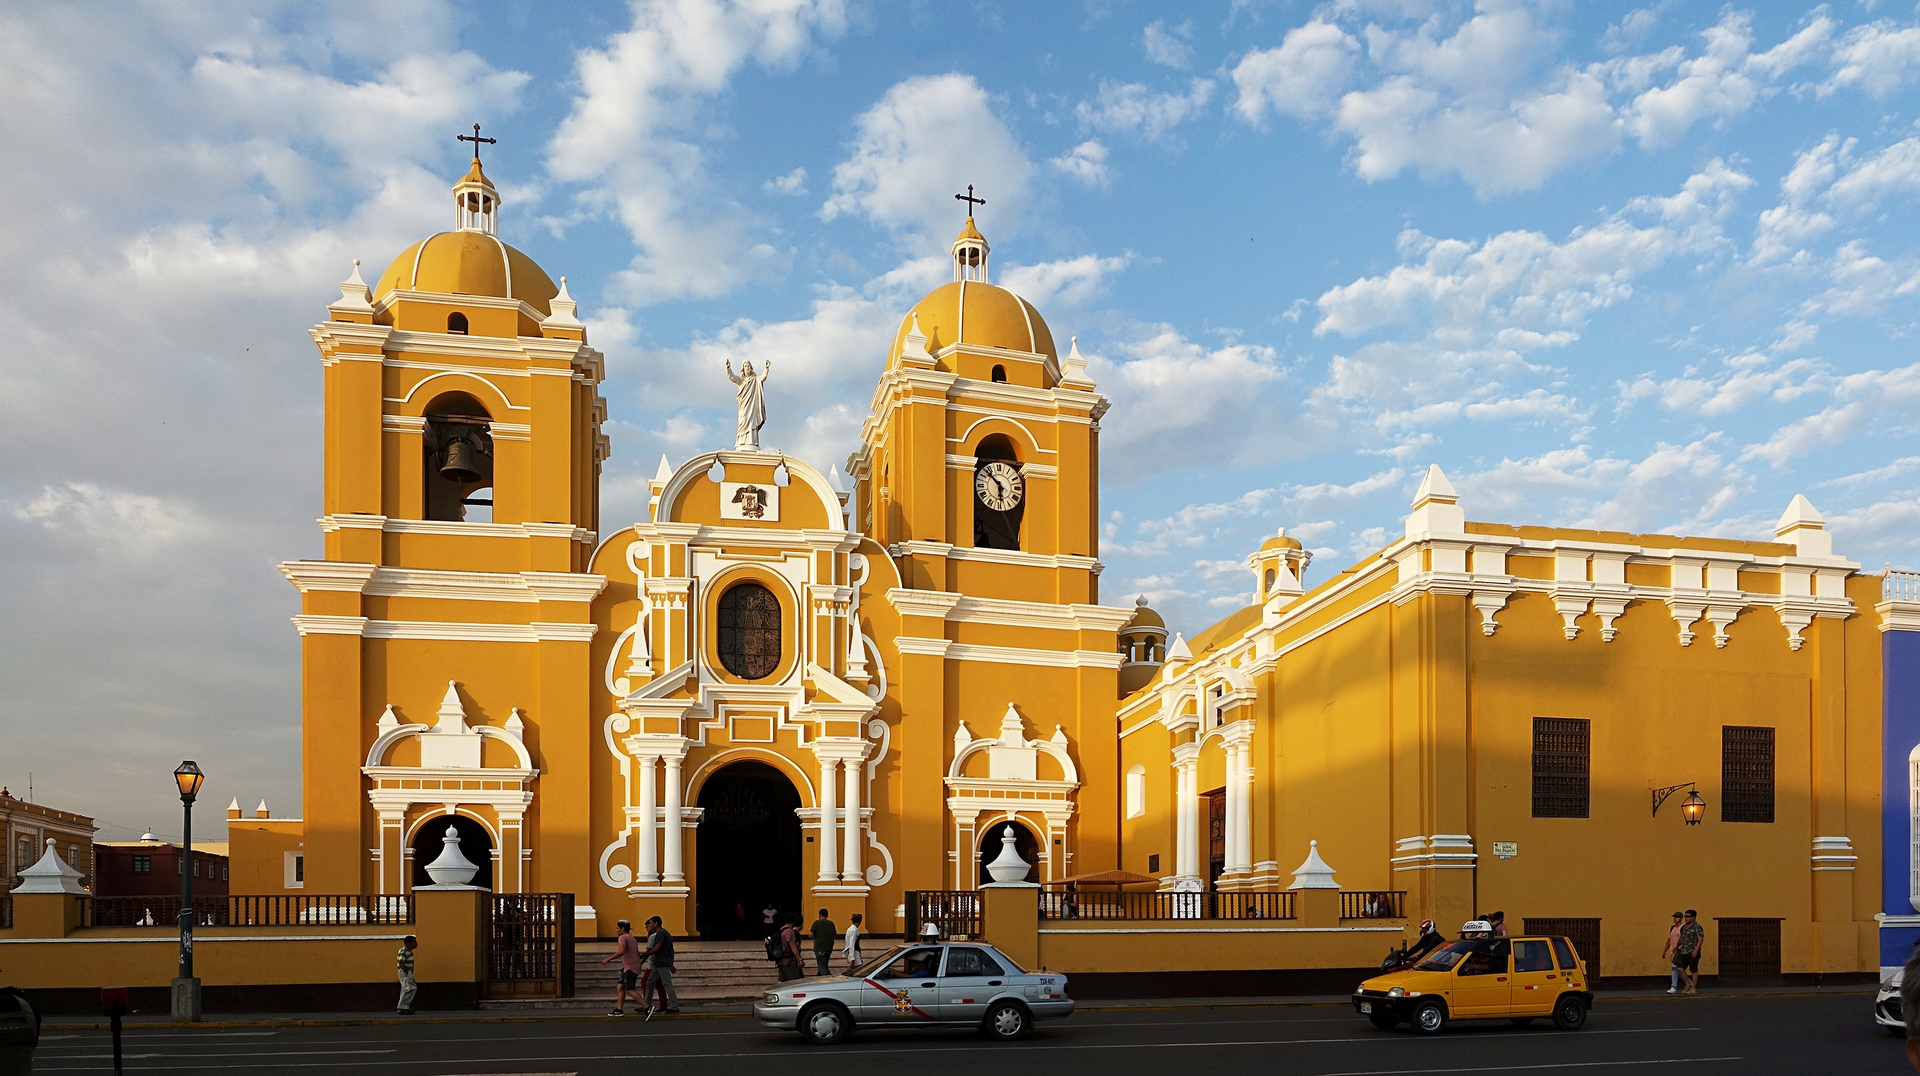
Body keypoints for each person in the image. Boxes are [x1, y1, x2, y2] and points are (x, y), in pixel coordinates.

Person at [602, 919, 644, 1016]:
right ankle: (619, 1009)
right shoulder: (631, 938)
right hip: (630, 966)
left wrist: (608, 959)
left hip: (630, 968)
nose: (616, 930)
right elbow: (635, 954)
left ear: (623, 929)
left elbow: (622, 951)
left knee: (629, 990)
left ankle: (647, 1007)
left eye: (617, 928)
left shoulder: (622, 937)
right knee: (620, 986)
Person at [642, 915, 681, 1014]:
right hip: (658, 964)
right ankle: (647, 1005)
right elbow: (671, 950)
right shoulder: (665, 933)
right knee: (649, 983)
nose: (649, 925)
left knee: (667, 984)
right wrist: (671, 963)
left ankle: (674, 1007)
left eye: (650, 923)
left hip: (662, 963)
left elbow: (656, 948)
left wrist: (643, 955)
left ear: (656, 923)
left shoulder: (660, 933)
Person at [1674, 910, 1704, 995]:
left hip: (1692, 952)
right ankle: (1687, 984)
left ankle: (1693, 988)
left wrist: (1695, 950)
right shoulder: (1684, 927)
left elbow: (1700, 939)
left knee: (1693, 970)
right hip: (1684, 951)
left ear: (1693, 917)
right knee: (1680, 968)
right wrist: (1678, 946)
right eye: (1685, 916)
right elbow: (1682, 937)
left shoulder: (1697, 927)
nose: (1686, 918)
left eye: (1688, 916)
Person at [1660, 911, 1685, 994]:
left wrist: (1678, 947)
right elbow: (1669, 940)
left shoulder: (1683, 928)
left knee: (1675, 969)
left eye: (1677, 917)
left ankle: (1673, 987)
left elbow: (1684, 940)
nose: (1675, 919)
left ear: (1681, 919)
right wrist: (1664, 951)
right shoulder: (1672, 928)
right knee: (1679, 970)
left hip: (1680, 951)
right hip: (1673, 952)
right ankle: (1690, 983)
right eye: (1674, 917)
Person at [777, 913, 806, 981]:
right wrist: (800, 959)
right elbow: (793, 946)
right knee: (796, 980)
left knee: (782, 980)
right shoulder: (790, 932)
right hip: (788, 960)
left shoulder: (781, 930)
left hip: (780, 959)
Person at [810, 909, 838, 977]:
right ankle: (818, 977)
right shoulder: (831, 923)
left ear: (820, 915)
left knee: (822, 965)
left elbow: (810, 935)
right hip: (829, 947)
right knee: (823, 964)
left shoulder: (816, 923)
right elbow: (834, 933)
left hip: (819, 947)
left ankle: (828, 978)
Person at [396, 935, 418, 1014]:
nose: (416, 944)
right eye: (414, 942)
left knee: (405, 989)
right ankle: (404, 1007)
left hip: (406, 972)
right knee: (411, 988)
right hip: (405, 972)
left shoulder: (408, 951)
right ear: (409, 943)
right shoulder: (404, 951)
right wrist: (408, 973)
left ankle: (401, 1007)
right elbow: (401, 963)